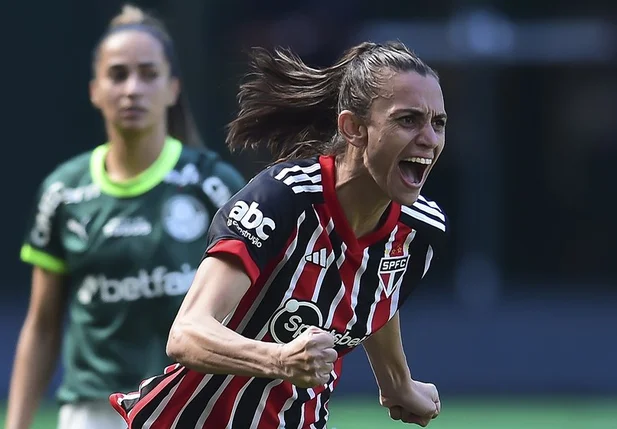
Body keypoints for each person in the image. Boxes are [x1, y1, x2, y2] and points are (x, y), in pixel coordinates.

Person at [110, 40, 448, 428]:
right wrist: (280, 359)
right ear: (353, 128)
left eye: (438, 123)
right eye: (408, 120)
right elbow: (187, 334)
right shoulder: (283, 198)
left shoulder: (420, 228)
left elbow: (374, 288)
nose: (430, 139)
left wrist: (397, 383)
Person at [6, 5, 245, 429]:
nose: (132, 88)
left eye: (148, 74)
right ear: (94, 90)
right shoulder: (63, 193)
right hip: (91, 413)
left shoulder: (212, 184)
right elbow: (42, 327)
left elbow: (253, 303)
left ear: (173, 89)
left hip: (190, 404)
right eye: (118, 75)